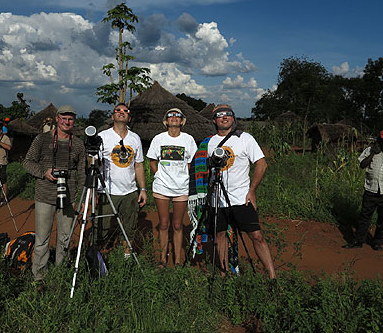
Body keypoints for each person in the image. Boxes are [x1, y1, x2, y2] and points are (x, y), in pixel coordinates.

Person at [192, 104, 275, 278]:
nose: (224, 117)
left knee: (257, 236)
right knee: (220, 235)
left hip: (241, 198)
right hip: (217, 199)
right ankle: (224, 273)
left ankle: (272, 276)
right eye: (220, 114)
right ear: (214, 120)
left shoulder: (245, 138)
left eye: (228, 114)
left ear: (233, 117)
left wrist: (252, 191)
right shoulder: (209, 142)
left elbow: (262, 164)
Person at [23, 105, 86, 281]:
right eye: (64, 118)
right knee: (42, 238)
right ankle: (39, 276)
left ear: (74, 121)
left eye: (70, 118)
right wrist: (44, 171)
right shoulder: (42, 139)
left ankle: (61, 273)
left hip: (69, 195)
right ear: (57, 119)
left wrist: (82, 199)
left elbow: (82, 173)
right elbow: (27, 162)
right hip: (44, 195)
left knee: (65, 237)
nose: (67, 121)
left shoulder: (79, 144)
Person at [147, 108, 197, 267]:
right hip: (161, 187)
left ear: (182, 121)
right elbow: (152, 162)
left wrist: (185, 178)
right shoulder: (158, 139)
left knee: (177, 224)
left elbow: (191, 163)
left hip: (181, 188)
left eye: (178, 116)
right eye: (170, 115)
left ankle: (177, 260)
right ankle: (162, 258)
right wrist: (159, 176)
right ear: (166, 121)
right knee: (163, 224)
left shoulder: (188, 139)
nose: (174, 118)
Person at [97, 103, 147, 257]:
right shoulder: (103, 137)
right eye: (118, 110)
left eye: (125, 111)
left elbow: (138, 165)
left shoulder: (135, 138)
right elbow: (93, 163)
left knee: (130, 228)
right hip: (107, 191)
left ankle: (126, 258)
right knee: (102, 227)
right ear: (112, 117)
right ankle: (100, 259)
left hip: (130, 191)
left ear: (129, 117)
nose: (121, 112)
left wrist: (143, 189)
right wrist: (93, 191)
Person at [343, 130, 383, 251]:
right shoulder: (370, 150)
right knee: (365, 217)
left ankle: (377, 242)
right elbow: (362, 165)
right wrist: (372, 154)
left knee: (382, 219)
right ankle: (358, 240)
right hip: (371, 189)